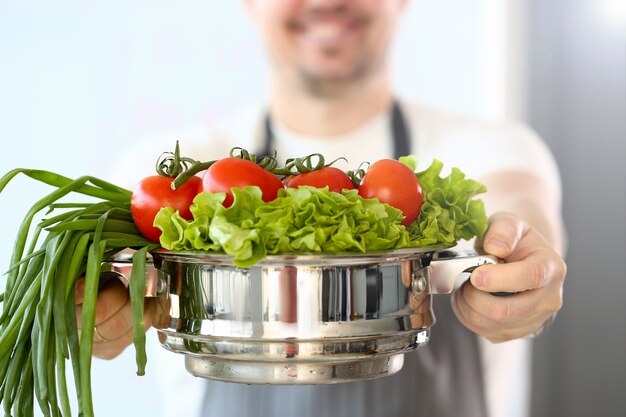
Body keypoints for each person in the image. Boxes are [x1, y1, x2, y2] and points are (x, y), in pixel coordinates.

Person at [76, 1, 567, 416]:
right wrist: (100, 314)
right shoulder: (166, 178)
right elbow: (114, 279)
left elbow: (519, 204)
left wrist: (521, 270)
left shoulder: (491, 147)